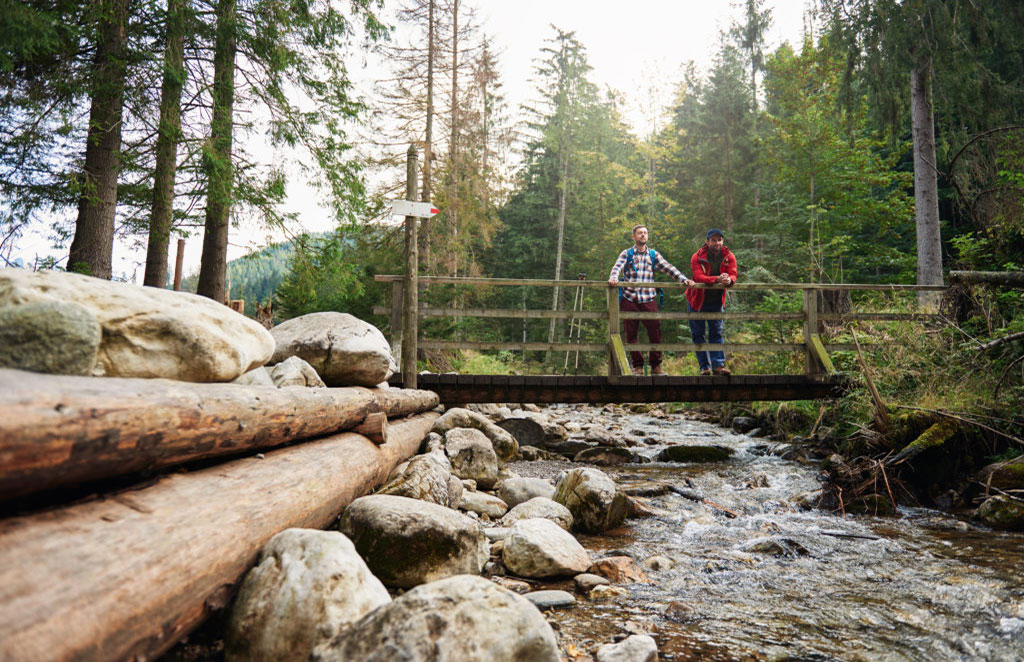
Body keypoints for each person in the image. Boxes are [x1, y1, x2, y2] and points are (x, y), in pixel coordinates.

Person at [608, 224, 691, 376]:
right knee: (631, 334)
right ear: (634, 236)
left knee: (655, 331)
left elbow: (668, 267)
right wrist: (613, 278)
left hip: (648, 298)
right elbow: (617, 268)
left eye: (645, 233)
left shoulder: (653, 255)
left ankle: (656, 367)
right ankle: (638, 367)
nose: (643, 235)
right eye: (640, 233)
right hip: (629, 298)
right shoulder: (627, 254)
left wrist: (683, 279)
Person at [686, 228, 738, 375]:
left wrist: (729, 280)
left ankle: (718, 366)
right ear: (707, 241)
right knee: (698, 333)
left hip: (716, 299)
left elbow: (733, 273)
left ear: (722, 241)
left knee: (716, 332)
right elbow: (698, 277)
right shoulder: (697, 257)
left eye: (719, 240)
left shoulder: (729, 256)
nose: (717, 243)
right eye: (713, 240)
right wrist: (717, 279)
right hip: (697, 299)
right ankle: (704, 367)